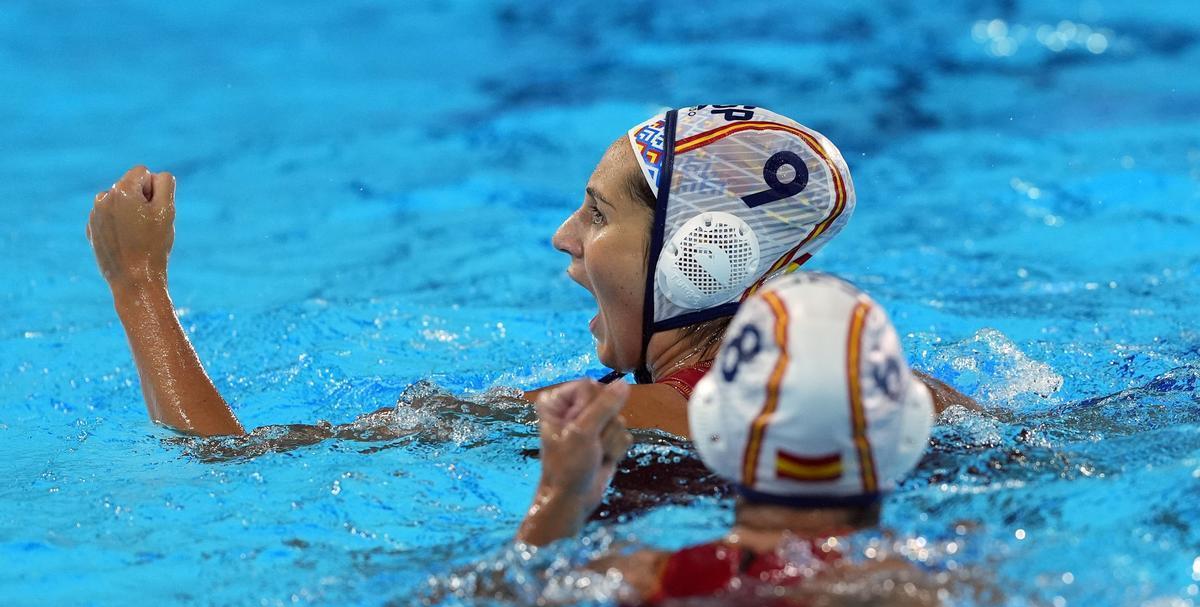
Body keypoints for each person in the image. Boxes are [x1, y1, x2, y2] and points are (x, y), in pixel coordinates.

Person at [86, 104, 967, 440]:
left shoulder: (617, 416)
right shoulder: (908, 392)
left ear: (703, 259)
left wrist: (138, 285)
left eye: (598, 212)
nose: (563, 238)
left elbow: (229, 463)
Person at [517, 273, 987, 607]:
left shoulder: (639, 579)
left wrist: (562, 495)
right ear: (905, 441)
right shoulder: (907, 595)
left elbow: (499, 594)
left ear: (715, 428)